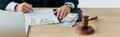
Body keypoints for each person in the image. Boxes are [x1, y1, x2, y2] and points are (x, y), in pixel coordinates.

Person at [0, 0, 79, 19]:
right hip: (22, 20)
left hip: (55, 20)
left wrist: (67, 5)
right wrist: (16, 6)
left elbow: (73, 0)